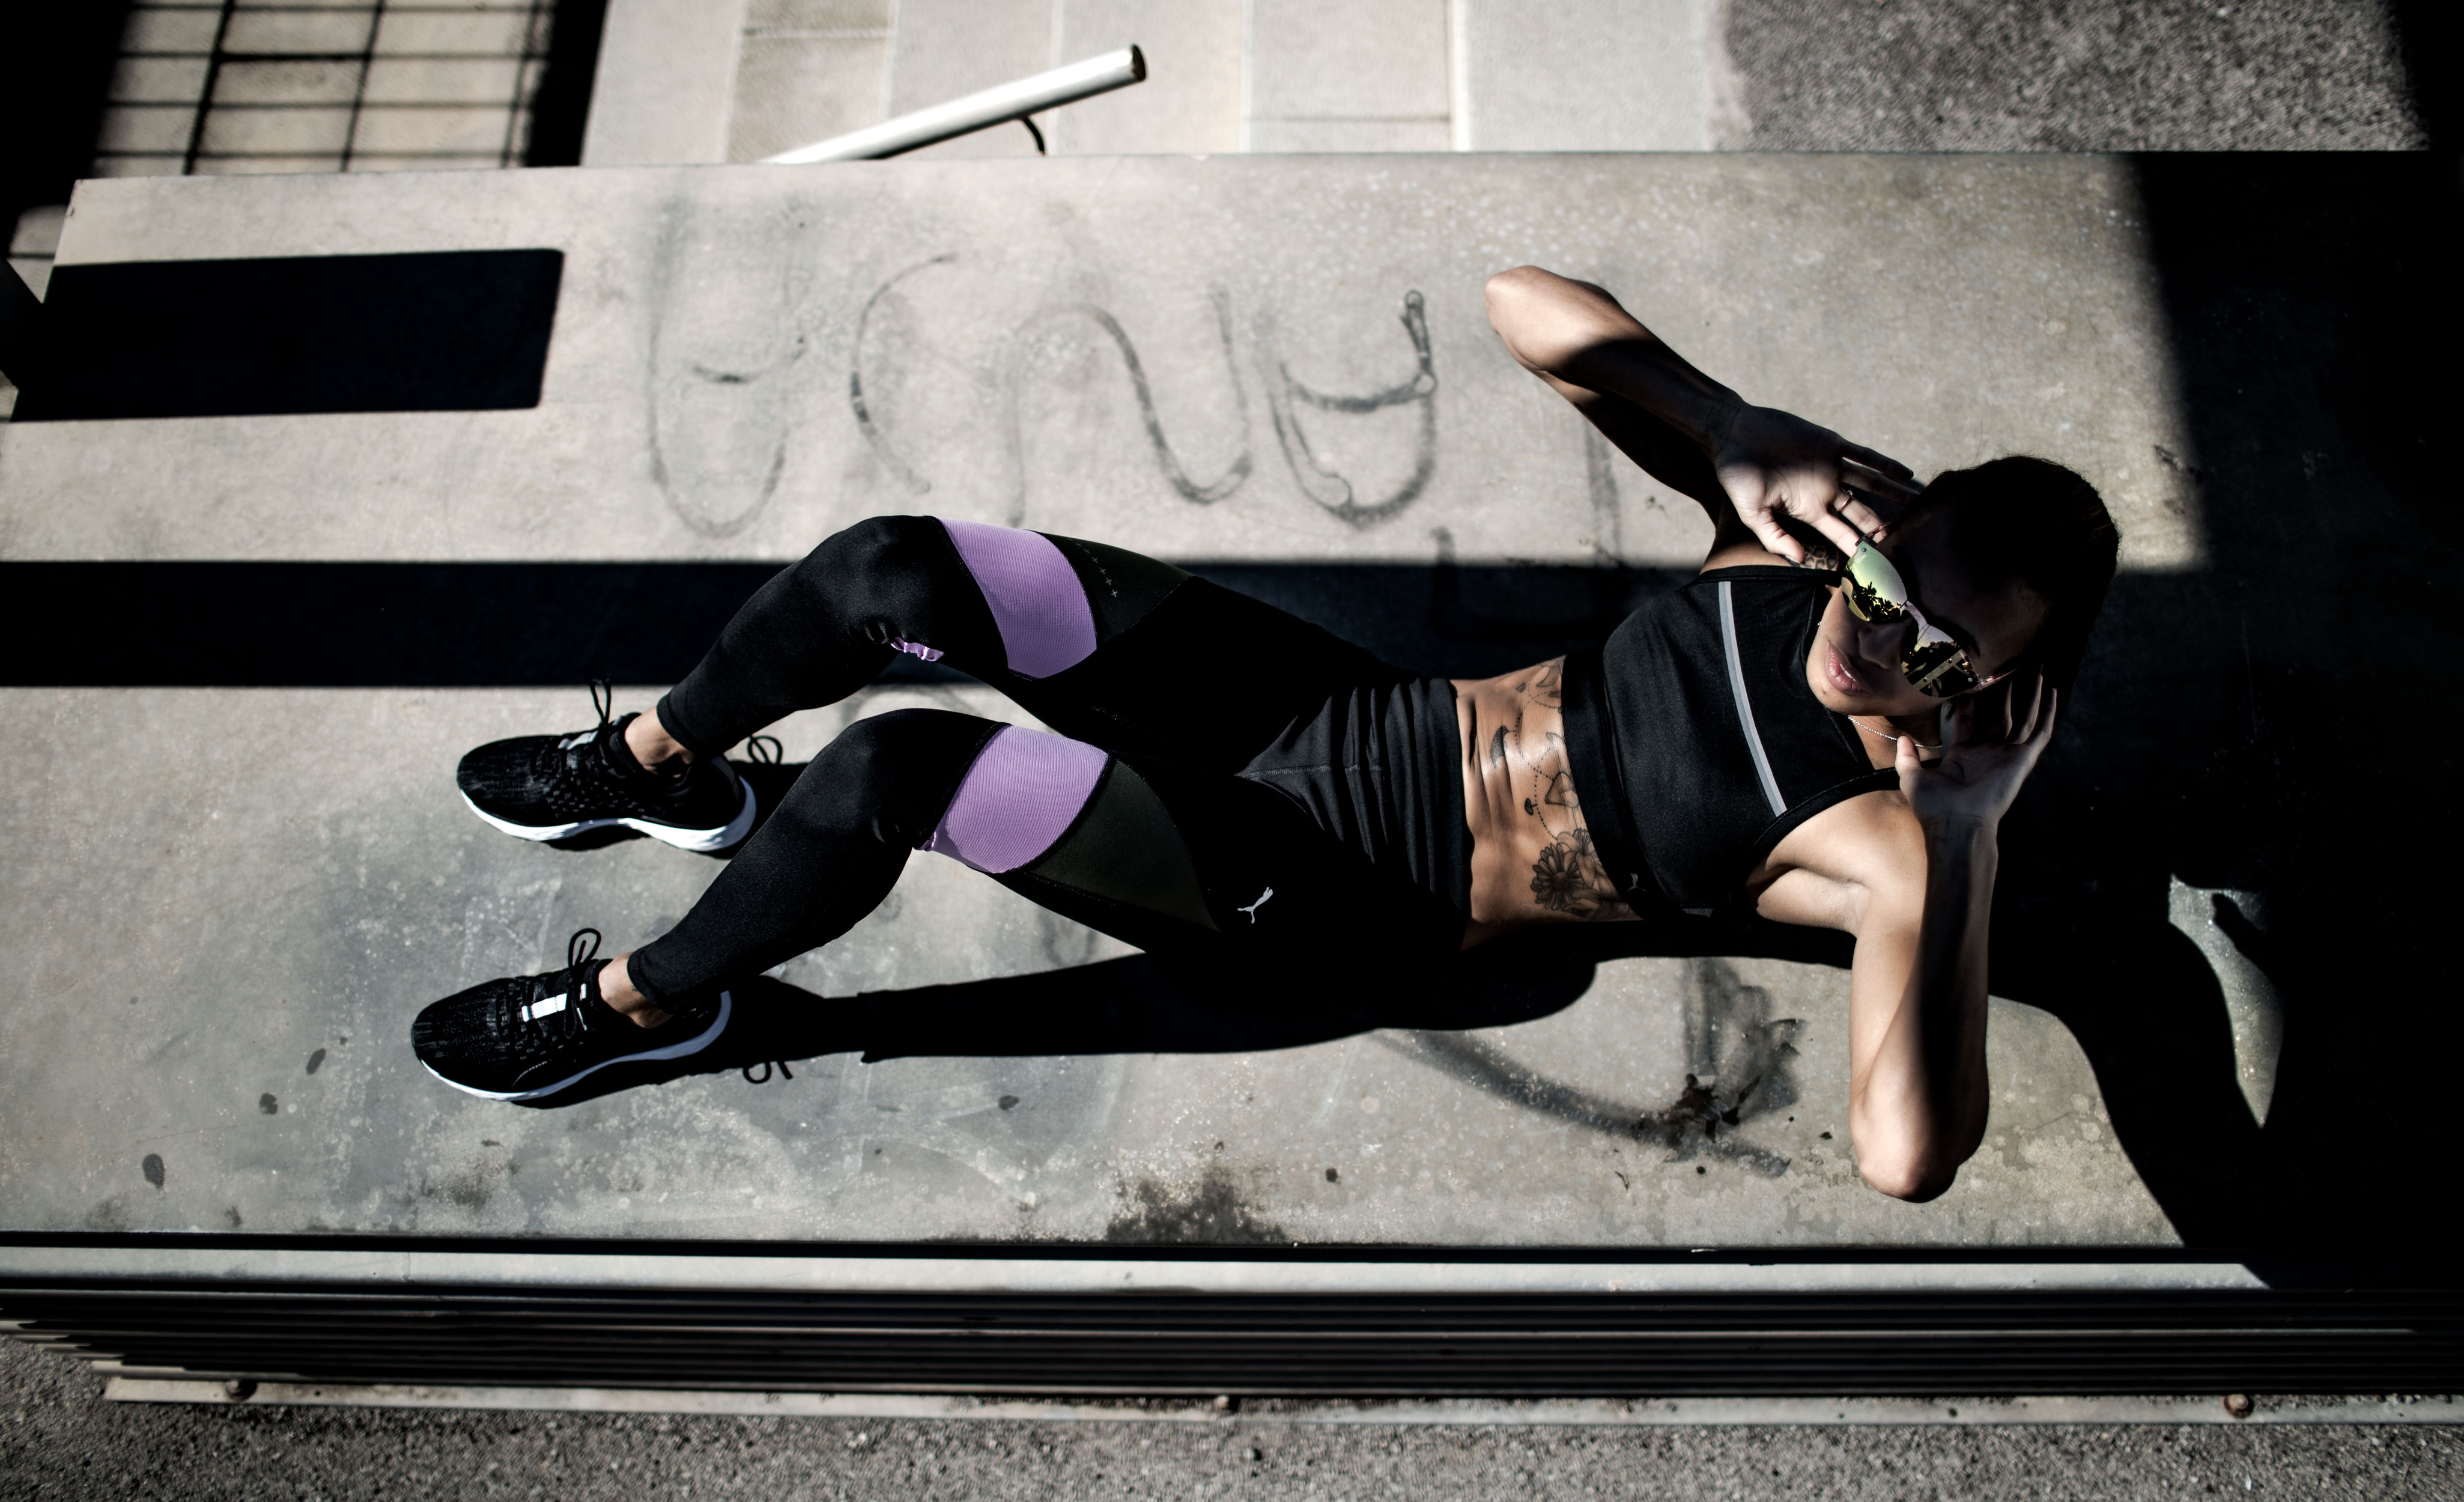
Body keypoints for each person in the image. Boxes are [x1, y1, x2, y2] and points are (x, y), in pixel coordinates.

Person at [416, 267, 2118, 1203]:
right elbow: (1524, 303)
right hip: (1330, 708)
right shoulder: (1779, 550)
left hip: (1327, 886)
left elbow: (1909, 1154)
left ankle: (646, 1004)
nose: (1875, 628)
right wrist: (1728, 420)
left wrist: (1969, 839)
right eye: (1886, 573)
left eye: (1935, 645)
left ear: (1990, 692)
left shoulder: (1885, 841)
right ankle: (668, 770)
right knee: (892, 571)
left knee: (893, 769)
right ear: (1882, 515)